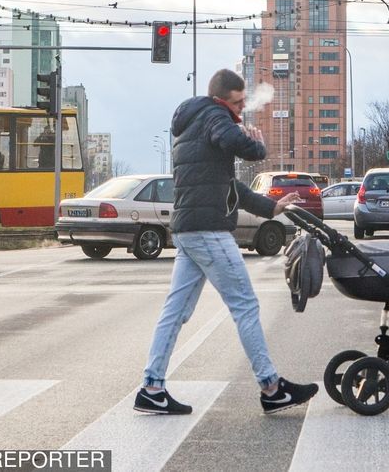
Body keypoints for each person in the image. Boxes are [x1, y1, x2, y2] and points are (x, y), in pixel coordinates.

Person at [136, 68, 319, 417]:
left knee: (175, 312)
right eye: (236, 103)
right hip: (208, 230)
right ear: (222, 98)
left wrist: (270, 207)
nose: (240, 110)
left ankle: (152, 387)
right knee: (245, 306)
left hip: (188, 229)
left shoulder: (190, 125)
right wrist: (256, 142)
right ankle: (271, 387)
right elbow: (241, 146)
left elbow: (228, 187)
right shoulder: (215, 116)